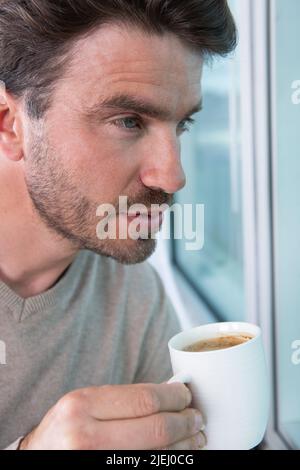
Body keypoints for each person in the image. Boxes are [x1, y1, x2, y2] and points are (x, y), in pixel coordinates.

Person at [0, 0, 236, 450]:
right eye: (129, 121)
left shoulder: (134, 297)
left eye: (182, 124)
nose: (172, 176)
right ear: (11, 124)